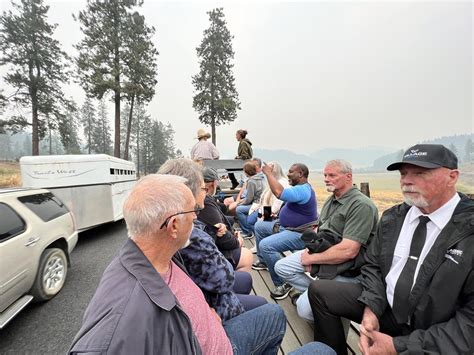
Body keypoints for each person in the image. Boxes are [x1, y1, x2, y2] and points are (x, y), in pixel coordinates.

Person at [69, 174, 286, 354]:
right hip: (223, 347)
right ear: (173, 226)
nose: (196, 218)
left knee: (274, 314)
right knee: (311, 345)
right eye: (192, 211)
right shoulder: (121, 322)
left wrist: (206, 312)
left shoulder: (155, 255)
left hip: (215, 329)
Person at [308, 144, 474, 355]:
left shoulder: (468, 228)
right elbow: (373, 265)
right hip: (387, 307)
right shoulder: (393, 218)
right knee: (320, 291)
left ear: (452, 177)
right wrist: (371, 307)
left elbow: (470, 322)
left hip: (434, 325)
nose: (407, 180)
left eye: (420, 173)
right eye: (403, 173)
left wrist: (398, 346)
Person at [158, 159, 266, 320]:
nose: (206, 192)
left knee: (246, 278)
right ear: (189, 192)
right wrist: (233, 238)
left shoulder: (162, 222)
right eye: (203, 188)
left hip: (194, 291)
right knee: (268, 309)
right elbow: (224, 278)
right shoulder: (191, 234)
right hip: (209, 304)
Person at [274, 159, 378, 322]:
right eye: (325, 175)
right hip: (324, 251)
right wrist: (312, 250)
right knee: (282, 267)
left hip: (346, 265)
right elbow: (322, 230)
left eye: (332, 175)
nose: (326, 179)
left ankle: (323, 301)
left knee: (303, 309)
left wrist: (312, 259)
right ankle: (320, 296)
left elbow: (349, 251)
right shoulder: (332, 199)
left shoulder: (361, 205)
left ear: (348, 177)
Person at [252, 163, 319, 300]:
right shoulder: (292, 186)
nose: (288, 174)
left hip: (298, 233)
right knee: (259, 227)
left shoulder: (303, 190)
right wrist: (263, 215)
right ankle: (265, 261)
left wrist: (268, 174)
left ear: (301, 174)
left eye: (291, 172)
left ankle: (283, 283)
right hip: (283, 226)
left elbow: (279, 194)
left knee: (266, 245)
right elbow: (269, 203)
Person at [198, 166, 254, 272]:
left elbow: (260, 201)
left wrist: (238, 202)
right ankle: (251, 235)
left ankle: (251, 233)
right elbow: (244, 195)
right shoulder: (248, 181)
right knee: (244, 214)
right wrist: (236, 201)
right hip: (257, 206)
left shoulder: (252, 182)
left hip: (261, 207)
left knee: (255, 220)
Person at [235, 161, 266, 238]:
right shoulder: (261, 177)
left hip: (257, 204)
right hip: (264, 203)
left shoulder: (251, 181)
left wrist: (239, 203)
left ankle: (248, 231)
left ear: (246, 172)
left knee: (239, 209)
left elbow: (249, 199)